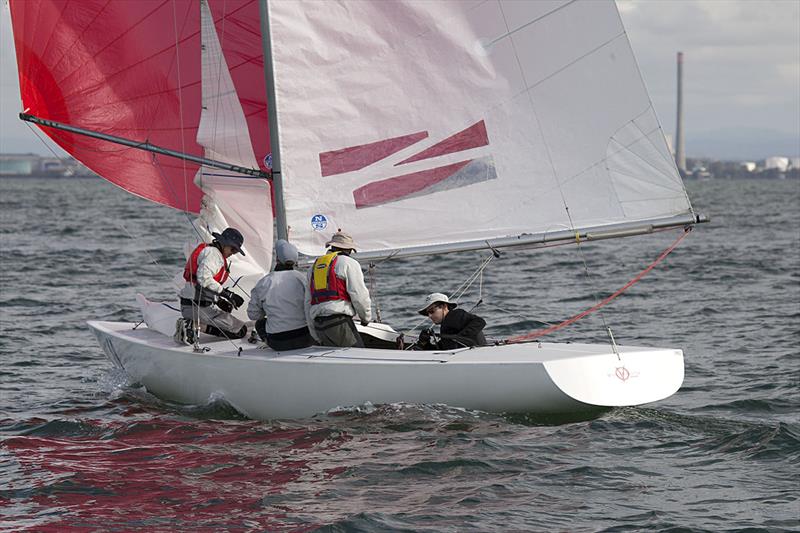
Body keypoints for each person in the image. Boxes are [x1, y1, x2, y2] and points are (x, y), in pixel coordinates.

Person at [174, 227, 248, 345]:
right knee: (240, 331)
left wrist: (219, 301)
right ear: (224, 243)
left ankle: (191, 325)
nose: (232, 253)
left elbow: (200, 284)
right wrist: (228, 294)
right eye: (233, 249)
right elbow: (204, 278)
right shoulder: (214, 255)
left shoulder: (208, 251)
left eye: (235, 251)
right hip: (200, 308)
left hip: (189, 306)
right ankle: (192, 325)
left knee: (232, 325)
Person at [305, 230, 371, 347]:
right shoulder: (349, 263)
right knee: (358, 356)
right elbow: (359, 295)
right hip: (339, 323)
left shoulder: (313, 267)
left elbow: (307, 302)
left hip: (319, 325)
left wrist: (313, 333)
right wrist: (365, 318)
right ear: (349, 249)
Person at [247, 240, 314, 351]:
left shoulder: (264, 282)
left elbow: (253, 315)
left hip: (278, 342)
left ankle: (267, 343)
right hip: (305, 338)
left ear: (277, 259)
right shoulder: (302, 279)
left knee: (260, 323)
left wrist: (266, 311)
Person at [416, 293, 486, 350]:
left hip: (477, 356)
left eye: (432, 311)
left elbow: (480, 321)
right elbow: (442, 350)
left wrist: (459, 338)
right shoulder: (447, 325)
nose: (430, 316)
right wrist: (425, 343)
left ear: (444, 306)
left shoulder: (456, 315)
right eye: (427, 313)